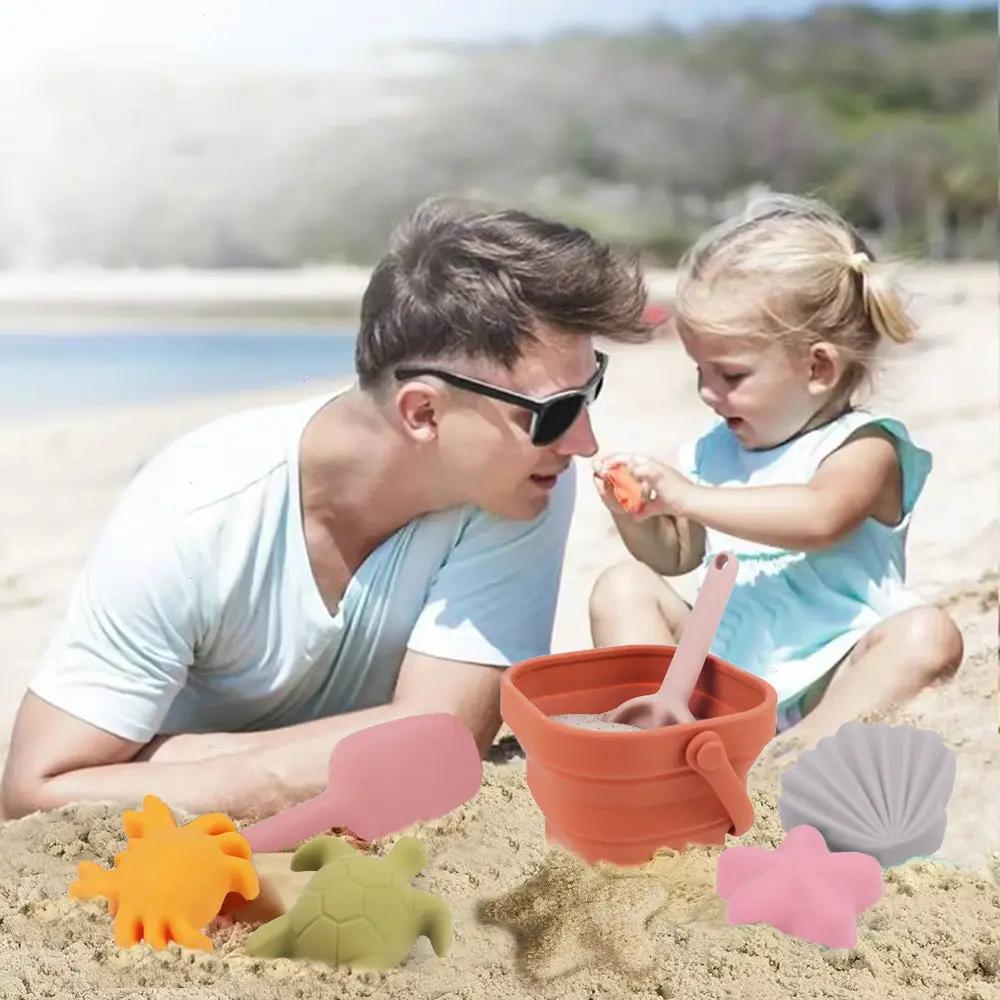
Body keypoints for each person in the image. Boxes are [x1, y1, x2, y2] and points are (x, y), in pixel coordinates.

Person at [1, 199, 650, 821]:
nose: (584, 442)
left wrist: (169, 761)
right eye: (557, 412)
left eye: (590, 390)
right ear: (422, 412)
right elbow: (34, 790)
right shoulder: (194, 514)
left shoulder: (520, 482)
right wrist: (287, 773)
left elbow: (445, 740)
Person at [589, 194, 963, 745]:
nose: (707, 393)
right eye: (700, 370)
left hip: (832, 671)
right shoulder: (713, 449)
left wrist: (688, 496)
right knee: (623, 586)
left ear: (818, 367)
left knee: (927, 635)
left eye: (730, 374)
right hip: (726, 675)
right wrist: (640, 513)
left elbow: (819, 517)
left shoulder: (864, 446)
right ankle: (656, 741)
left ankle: (799, 752)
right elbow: (676, 557)